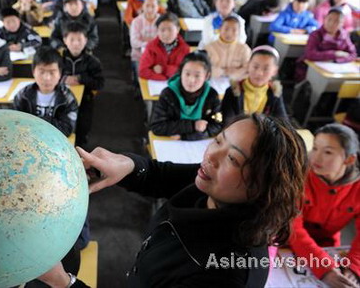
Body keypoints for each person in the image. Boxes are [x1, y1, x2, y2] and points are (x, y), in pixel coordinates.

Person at [36, 113, 308, 287]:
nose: (210, 155)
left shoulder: (225, 275)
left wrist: (63, 283)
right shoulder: (213, 186)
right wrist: (128, 165)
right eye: (218, 140)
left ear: (263, 186)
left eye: (233, 158)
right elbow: (160, 175)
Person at [289, 123, 360, 288]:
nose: (315, 158)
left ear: (349, 159)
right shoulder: (298, 176)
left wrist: (353, 267)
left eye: (327, 152)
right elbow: (294, 228)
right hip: (289, 243)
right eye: (314, 148)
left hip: (329, 245)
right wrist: (324, 269)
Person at [151, 51, 222, 141]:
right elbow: (157, 126)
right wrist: (193, 125)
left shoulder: (212, 95)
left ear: (206, 76)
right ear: (181, 73)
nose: (191, 80)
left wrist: (187, 137)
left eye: (197, 76)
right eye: (187, 74)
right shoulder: (168, 94)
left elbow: (218, 124)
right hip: (172, 143)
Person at [13, 46, 78, 137]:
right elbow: (16, 125)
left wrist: (35, 122)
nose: (47, 78)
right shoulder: (22, 96)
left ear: (60, 73)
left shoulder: (67, 98)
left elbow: (67, 129)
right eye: (41, 72)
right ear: (33, 72)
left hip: (56, 142)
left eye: (52, 72)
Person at [60, 21, 104, 145]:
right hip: (62, 101)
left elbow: (100, 83)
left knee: (82, 130)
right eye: (72, 39)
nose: (75, 43)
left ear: (86, 40)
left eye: (79, 39)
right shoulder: (58, 59)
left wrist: (80, 79)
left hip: (86, 101)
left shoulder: (93, 61)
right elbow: (49, 76)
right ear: (64, 40)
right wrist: (64, 79)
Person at [222, 46, 287, 123]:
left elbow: (283, 122)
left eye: (266, 69)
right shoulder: (233, 91)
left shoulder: (274, 93)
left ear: (275, 71)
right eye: (255, 67)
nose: (259, 73)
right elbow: (228, 122)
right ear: (248, 65)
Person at [296, 9, 358, 81]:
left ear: (342, 24)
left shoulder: (344, 36)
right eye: (329, 19)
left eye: (336, 21)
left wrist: (336, 60)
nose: (331, 23)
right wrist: (334, 54)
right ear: (325, 19)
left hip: (336, 69)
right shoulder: (315, 35)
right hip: (312, 69)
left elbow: (353, 54)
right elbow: (310, 54)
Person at [139, 12, 190, 81]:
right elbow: (142, 71)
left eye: (170, 29)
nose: (166, 34)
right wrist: (164, 78)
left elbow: (185, 72)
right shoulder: (151, 47)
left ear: (178, 30)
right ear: (157, 31)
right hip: (157, 85)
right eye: (162, 30)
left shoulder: (185, 49)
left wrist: (164, 69)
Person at [205, 16, 251, 82]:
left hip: (237, 83)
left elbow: (248, 68)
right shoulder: (209, 48)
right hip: (213, 83)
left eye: (234, 30)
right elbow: (204, 68)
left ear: (239, 32)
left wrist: (234, 74)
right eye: (226, 29)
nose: (229, 33)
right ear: (220, 29)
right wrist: (223, 72)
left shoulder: (244, 49)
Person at [130, 0, 161, 64]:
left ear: (158, 7)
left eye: (153, 6)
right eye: (147, 6)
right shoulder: (136, 21)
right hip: (139, 57)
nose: (149, 9)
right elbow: (134, 42)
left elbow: (164, 41)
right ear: (142, 6)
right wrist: (150, 44)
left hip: (158, 56)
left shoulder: (162, 21)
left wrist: (144, 43)